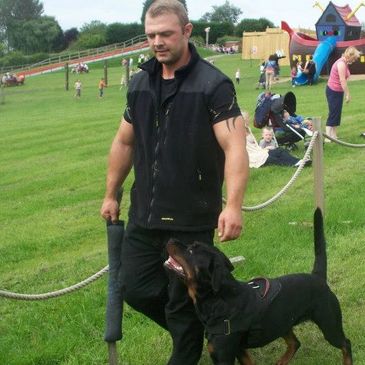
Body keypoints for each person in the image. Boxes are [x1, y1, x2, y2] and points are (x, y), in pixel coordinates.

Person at [100, 1, 249, 364]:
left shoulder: (213, 85)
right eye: (151, 35)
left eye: (166, 33)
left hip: (190, 221)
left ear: (186, 31)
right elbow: (124, 141)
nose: (157, 42)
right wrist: (110, 194)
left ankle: (190, 335)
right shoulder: (139, 84)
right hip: (143, 216)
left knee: (183, 312)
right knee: (133, 287)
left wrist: (232, 204)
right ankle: (205, 326)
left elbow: (234, 146)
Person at [243, 114, 307, 168]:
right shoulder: (239, 133)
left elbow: (255, 144)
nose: (249, 120)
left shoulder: (248, 129)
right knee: (273, 159)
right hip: (253, 156)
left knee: (279, 150)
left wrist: (263, 149)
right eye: (247, 119)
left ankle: (299, 161)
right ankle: (294, 164)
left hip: (259, 151)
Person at [325, 46, 360, 141]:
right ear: (350, 55)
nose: (355, 60)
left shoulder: (345, 62)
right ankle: (328, 137)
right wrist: (348, 94)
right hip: (333, 90)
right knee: (333, 112)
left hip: (338, 91)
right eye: (354, 58)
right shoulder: (341, 64)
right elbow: (342, 80)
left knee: (337, 113)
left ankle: (334, 135)